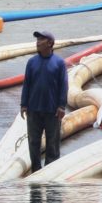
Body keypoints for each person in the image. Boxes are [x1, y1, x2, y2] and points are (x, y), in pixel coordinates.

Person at [21, 30, 68, 174]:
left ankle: (50, 171)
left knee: (52, 142)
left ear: (50, 43)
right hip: (34, 109)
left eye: (41, 40)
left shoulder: (59, 63)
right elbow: (27, 84)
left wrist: (61, 106)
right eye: (37, 39)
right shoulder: (32, 62)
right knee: (33, 142)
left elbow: (64, 85)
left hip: (52, 110)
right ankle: (36, 170)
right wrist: (23, 104)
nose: (37, 42)